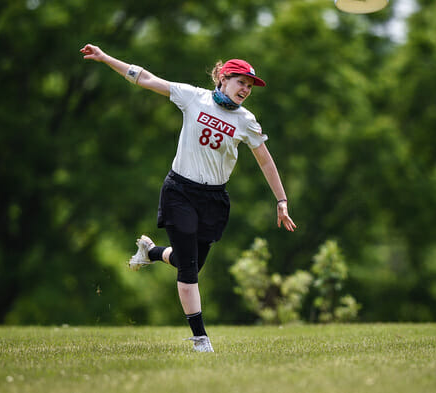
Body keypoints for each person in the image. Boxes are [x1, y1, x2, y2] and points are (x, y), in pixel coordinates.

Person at [80, 44, 296, 352]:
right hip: (180, 192)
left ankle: (151, 252)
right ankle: (200, 338)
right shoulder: (194, 97)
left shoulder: (246, 120)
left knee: (186, 261)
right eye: (240, 82)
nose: (245, 89)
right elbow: (144, 78)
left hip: (213, 199)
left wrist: (281, 200)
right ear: (223, 78)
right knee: (189, 271)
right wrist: (105, 58)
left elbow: (265, 160)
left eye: (249, 86)